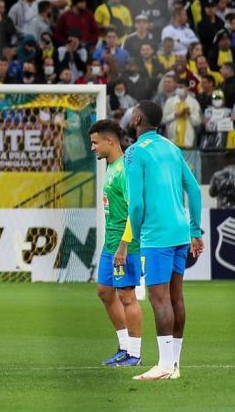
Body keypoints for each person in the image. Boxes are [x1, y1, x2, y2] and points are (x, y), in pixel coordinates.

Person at [124, 101, 204, 381]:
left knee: (159, 299)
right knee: (176, 298)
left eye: (133, 112)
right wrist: (195, 230)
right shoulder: (172, 148)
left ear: (137, 119)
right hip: (180, 231)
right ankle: (174, 363)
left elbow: (136, 204)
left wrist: (133, 235)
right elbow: (194, 189)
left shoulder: (134, 152)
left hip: (156, 234)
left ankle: (165, 365)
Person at [89, 119, 143, 367]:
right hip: (110, 244)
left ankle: (135, 354)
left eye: (95, 143)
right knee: (104, 291)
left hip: (125, 245)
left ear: (110, 141)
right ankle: (124, 348)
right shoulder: (111, 167)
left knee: (127, 296)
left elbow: (135, 210)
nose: (93, 148)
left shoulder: (124, 171)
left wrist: (124, 245)